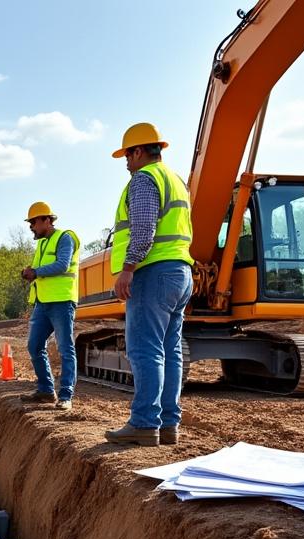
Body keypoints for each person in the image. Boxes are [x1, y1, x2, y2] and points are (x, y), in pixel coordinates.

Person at [103, 123, 194, 447]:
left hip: (152, 272)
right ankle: (167, 425)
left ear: (139, 151)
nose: (126, 163)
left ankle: (144, 423)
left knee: (145, 350)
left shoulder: (144, 179)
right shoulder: (176, 180)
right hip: (180, 272)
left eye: (128, 155)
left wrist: (128, 269)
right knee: (170, 351)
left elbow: (143, 229)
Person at [19, 201, 79, 411]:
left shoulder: (65, 238)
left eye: (34, 222)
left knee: (65, 348)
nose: (31, 227)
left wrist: (36, 272)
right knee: (34, 345)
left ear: (47, 220)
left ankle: (66, 396)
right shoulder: (42, 244)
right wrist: (30, 272)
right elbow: (40, 270)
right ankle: (46, 390)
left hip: (62, 302)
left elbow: (62, 264)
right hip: (42, 303)